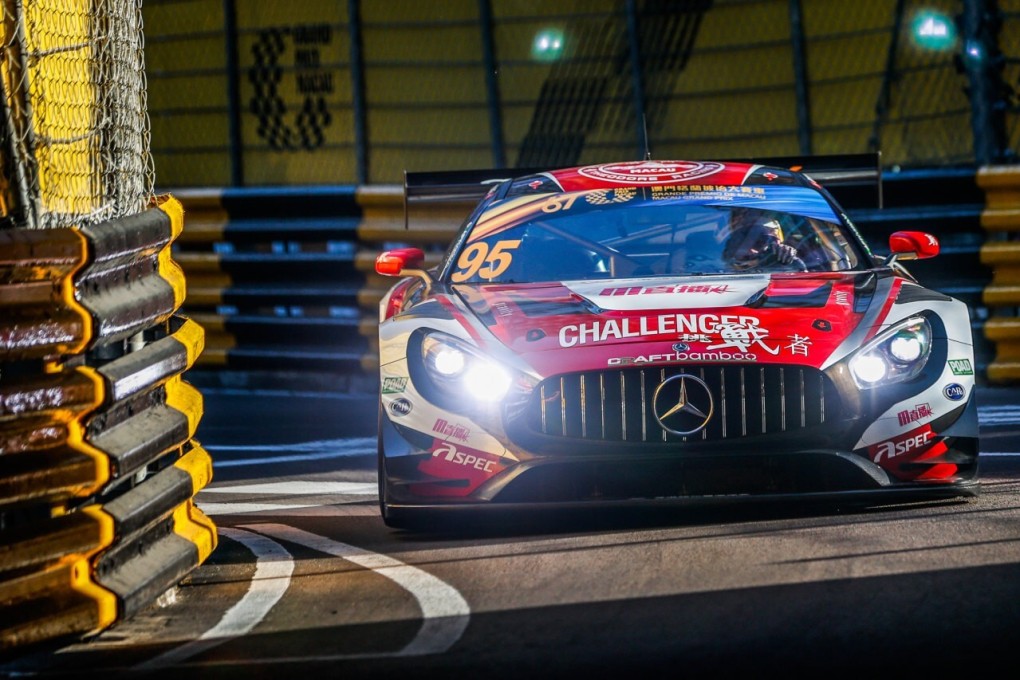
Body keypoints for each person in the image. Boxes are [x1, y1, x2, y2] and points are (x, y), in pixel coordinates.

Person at [721, 207, 800, 270]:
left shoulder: (781, 261)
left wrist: (786, 259)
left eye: (771, 239)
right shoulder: (716, 265)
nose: (754, 251)